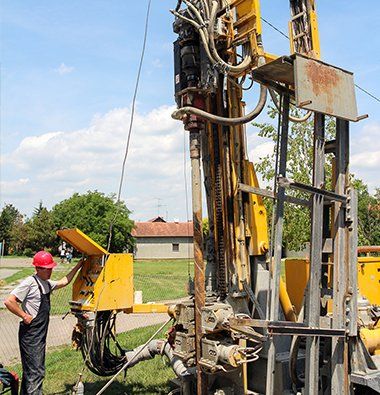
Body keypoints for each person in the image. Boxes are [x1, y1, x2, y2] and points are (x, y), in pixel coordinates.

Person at [3, 250, 84, 394]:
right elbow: (9, 301)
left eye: (51, 268)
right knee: (36, 372)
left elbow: (64, 281)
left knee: (31, 371)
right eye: (47, 269)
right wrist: (24, 316)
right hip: (31, 335)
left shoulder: (46, 283)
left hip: (39, 335)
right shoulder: (30, 282)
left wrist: (79, 265)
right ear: (37, 268)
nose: (50, 271)